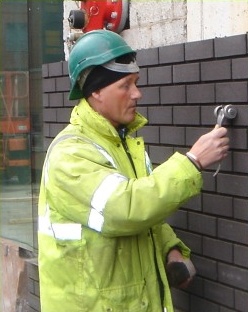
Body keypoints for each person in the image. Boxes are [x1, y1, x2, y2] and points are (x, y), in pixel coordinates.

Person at [38, 30, 229, 312]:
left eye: (136, 83)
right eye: (125, 85)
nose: (137, 94)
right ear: (95, 91)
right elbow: (123, 209)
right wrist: (192, 162)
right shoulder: (70, 153)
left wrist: (170, 249)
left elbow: (145, 217)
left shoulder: (124, 143)